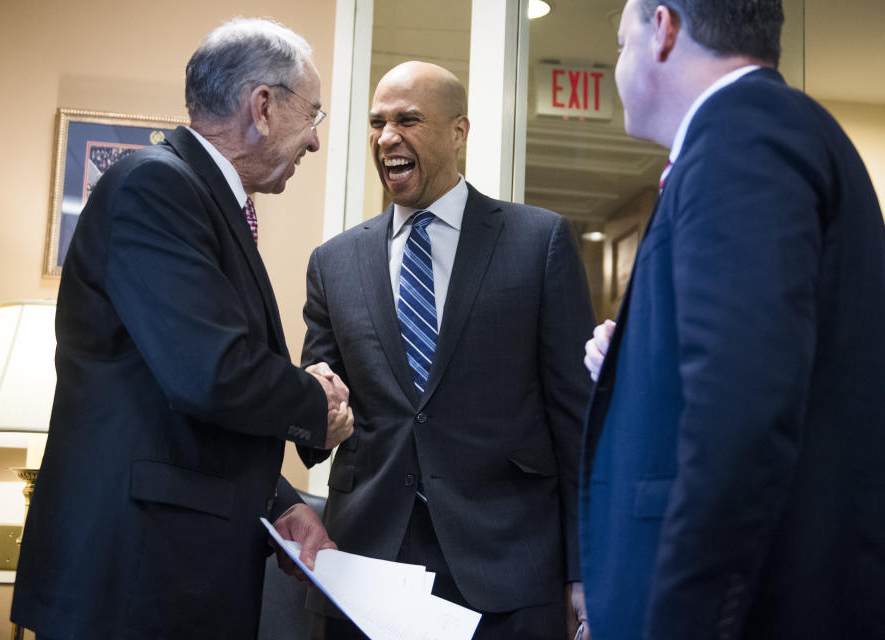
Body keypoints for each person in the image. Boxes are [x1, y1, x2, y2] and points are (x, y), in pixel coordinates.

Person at [10, 18, 354, 640]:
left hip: (165, 579)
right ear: (264, 107)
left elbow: (178, 424)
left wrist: (284, 506)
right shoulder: (155, 186)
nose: (315, 142)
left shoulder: (198, 196)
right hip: (134, 588)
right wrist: (316, 402)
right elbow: (211, 373)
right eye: (315, 116)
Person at [580, 1, 885, 638]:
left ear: (662, 29)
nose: (617, 67)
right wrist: (638, 362)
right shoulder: (762, 132)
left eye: (619, 43)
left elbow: (742, 411)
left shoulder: (742, 136)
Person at [299, 61, 595, 639]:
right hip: (366, 573)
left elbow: (577, 422)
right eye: (377, 122)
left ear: (459, 131)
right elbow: (319, 411)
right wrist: (318, 412)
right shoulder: (333, 262)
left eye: (408, 120)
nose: (387, 138)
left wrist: (584, 573)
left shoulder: (540, 242)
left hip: (509, 574)